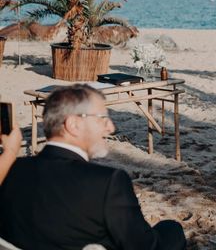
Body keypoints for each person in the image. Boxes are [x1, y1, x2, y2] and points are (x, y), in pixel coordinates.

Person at [0, 84, 186, 250]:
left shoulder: (10, 171)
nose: (111, 128)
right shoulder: (107, 183)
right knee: (171, 230)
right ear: (73, 124)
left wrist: (9, 151)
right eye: (102, 119)